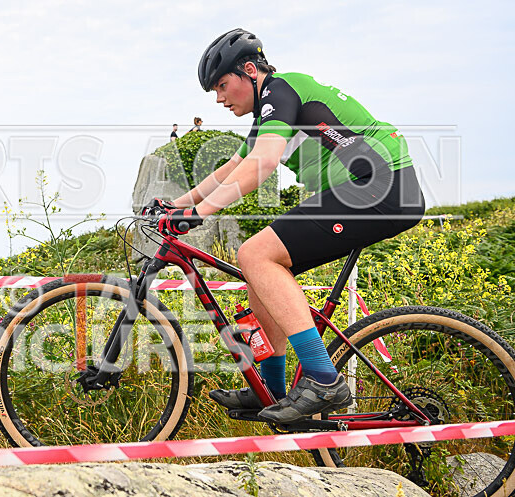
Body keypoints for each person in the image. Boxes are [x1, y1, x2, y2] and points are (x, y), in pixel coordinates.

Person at [145, 28, 424, 423]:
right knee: (258, 270)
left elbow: (262, 164)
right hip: (360, 190)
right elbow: (233, 168)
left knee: (255, 253)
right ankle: (273, 387)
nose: (219, 98)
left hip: (380, 186)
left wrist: (199, 213)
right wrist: (178, 204)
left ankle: (323, 379)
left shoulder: (282, 90)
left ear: (249, 71)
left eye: (222, 86)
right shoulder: (270, 111)